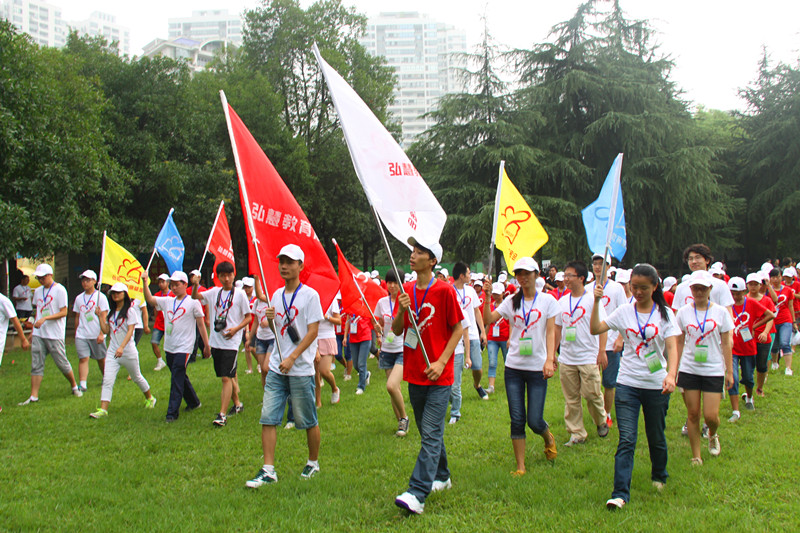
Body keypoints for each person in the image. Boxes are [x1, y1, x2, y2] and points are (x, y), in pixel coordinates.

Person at [590, 263, 680, 510]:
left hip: (656, 384)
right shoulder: (623, 311)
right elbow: (596, 329)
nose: (638, 292)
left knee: (656, 435)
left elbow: (672, 347)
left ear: (655, 286)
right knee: (627, 439)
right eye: (634, 287)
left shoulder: (665, 314)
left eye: (643, 288)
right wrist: (596, 303)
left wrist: (671, 375)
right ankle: (619, 494)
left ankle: (659, 474)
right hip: (628, 383)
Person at [392, 238, 463, 515]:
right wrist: (401, 309)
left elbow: (457, 329)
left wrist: (442, 360)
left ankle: (417, 492)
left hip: (439, 376)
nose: (413, 256)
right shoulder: (407, 290)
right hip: (414, 373)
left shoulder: (445, 291)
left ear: (432, 260)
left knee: (431, 432)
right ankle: (442, 476)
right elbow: (398, 331)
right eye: (412, 251)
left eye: (419, 252)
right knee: (428, 432)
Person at [246, 244, 324, 488]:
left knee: (307, 419)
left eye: (290, 262)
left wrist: (294, 357)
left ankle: (313, 463)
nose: (284, 266)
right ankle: (268, 469)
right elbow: (277, 329)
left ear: (300, 265)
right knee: (268, 416)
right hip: (279, 368)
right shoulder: (276, 295)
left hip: (300, 368)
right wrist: (269, 321)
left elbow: (312, 332)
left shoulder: (310, 296)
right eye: (282, 261)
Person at [482, 257, 559, 476]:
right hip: (514, 367)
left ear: (536, 275)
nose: (523, 278)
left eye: (527, 273)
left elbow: (550, 332)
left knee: (534, 420)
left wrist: (549, 359)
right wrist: (488, 297)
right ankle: (520, 466)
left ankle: (547, 437)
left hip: (537, 367)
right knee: (517, 418)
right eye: (519, 274)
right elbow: (488, 318)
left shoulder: (548, 302)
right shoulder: (510, 301)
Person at [674, 271, 734, 464]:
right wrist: (674, 369)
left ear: (710, 289)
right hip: (689, 367)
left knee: (711, 416)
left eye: (703, 288)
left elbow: (726, 343)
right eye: (695, 288)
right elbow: (679, 341)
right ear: (690, 290)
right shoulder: (683, 312)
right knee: (692, 414)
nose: (699, 292)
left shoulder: (721, 312)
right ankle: (696, 455)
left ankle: (713, 434)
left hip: (713, 368)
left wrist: (730, 371)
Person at [143, 271, 210, 422]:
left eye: (177, 284)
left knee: (176, 378)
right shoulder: (168, 301)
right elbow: (150, 299)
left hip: (184, 347)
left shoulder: (193, 303)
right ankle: (194, 402)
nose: (173, 288)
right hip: (170, 346)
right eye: (171, 284)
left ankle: (171, 413)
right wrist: (145, 282)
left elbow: (201, 324)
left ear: (185, 285)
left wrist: (206, 345)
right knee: (179, 375)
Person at [192, 260, 252, 427]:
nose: (226, 278)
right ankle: (238, 404)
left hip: (231, 342)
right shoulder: (214, 292)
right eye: (223, 276)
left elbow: (248, 317)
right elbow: (195, 296)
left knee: (226, 377)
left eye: (229, 275)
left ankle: (222, 414)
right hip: (216, 341)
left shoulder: (239, 294)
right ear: (218, 277)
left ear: (234, 275)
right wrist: (196, 284)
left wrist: (236, 329)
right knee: (227, 376)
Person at [555, 261, 609, 446]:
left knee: (591, 393)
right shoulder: (562, 301)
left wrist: (602, 351)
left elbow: (602, 327)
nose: (566, 279)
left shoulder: (593, 300)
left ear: (581, 278)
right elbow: (557, 329)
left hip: (588, 355)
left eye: (569, 276)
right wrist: (552, 354)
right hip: (568, 357)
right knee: (571, 398)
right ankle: (577, 433)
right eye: (565, 276)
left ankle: (601, 420)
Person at [89, 283, 157, 418]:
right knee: (108, 380)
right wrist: (99, 317)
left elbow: (130, 331)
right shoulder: (111, 313)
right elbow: (106, 330)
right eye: (113, 293)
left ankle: (150, 397)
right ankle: (103, 410)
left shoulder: (130, 311)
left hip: (128, 351)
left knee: (137, 377)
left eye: (118, 293)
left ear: (125, 295)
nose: (115, 295)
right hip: (112, 351)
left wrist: (122, 347)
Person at [19, 264, 82, 405]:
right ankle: (33, 396)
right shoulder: (38, 291)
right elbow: (39, 311)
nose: (40, 280)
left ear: (50, 275)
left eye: (42, 277)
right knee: (36, 363)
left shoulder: (60, 290)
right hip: (39, 333)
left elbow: (64, 312)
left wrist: (45, 318)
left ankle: (74, 386)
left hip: (54, 334)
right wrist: (34, 329)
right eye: (38, 277)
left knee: (61, 363)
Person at [588, 253, 627, 428]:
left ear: (609, 267)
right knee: (592, 382)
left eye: (601, 264)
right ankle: (598, 411)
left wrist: (621, 338)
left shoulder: (617, 288)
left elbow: (624, 313)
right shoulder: (588, 288)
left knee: (609, 382)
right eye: (595, 263)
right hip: (592, 344)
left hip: (611, 343)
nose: (598, 267)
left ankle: (607, 413)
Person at [727, 276, 773, 421]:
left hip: (748, 347)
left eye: (738, 293)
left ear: (743, 291)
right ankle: (735, 411)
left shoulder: (752, 303)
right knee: (732, 377)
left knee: (748, 376)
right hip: (732, 347)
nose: (735, 296)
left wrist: (754, 327)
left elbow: (770, 315)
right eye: (732, 293)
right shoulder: (726, 306)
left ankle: (749, 398)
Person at [373, 268, 409, 436]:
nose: (392, 286)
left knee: (391, 386)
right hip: (387, 349)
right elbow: (381, 323)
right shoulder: (382, 302)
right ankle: (400, 423)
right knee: (394, 390)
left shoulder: (405, 301)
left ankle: (404, 418)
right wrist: (378, 331)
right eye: (389, 282)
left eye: (395, 282)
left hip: (402, 349)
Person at [453, 261, 488, 406]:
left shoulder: (471, 291)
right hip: (455, 334)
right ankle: (454, 395)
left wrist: (483, 332)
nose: (470, 276)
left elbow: (477, 311)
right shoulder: (449, 291)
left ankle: (477, 384)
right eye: (468, 273)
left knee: (477, 367)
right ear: (461, 276)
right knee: (455, 369)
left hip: (472, 333)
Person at [72, 269, 109, 392]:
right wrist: (76, 331)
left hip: (96, 333)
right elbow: (78, 316)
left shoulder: (101, 297)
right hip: (82, 334)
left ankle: (106, 378)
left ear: (94, 281)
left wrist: (101, 333)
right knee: (83, 358)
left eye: (88, 280)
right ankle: (83, 384)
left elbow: (104, 316)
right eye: (83, 280)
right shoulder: (79, 298)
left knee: (101, 358)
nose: (85, 283)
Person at [746, 272, 776, 396]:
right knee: (748, 364)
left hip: (763, 337)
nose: (753, 287)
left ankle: (760, 387)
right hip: (748, 337)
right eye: (751, 284)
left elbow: (771, 317)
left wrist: (765, 332)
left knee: (762, 365)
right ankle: (749, 389)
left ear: (760, 285)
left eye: (756, 284)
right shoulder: (744, 299)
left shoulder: (767, 300)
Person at [766, 268, 795, 375]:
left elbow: (790, 306)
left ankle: (788, 368)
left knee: (784, 343)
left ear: (781, 277)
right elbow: (774, 301)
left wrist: (793, 321)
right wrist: (769, 286)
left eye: (777, 277)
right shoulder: (767, 291)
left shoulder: (787, 290)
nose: (775, 279)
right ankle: (774, 362)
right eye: (773, 277)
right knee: (774, 344)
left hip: (785, 319)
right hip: (772, 320)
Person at [315, 298, 341, 407]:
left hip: (327, 337)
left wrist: (327, 317)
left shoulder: (331, 299)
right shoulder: (311, 298)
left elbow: (338, 320)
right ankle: (318, 402)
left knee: (324, 370)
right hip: (313, 337)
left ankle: (334, 388)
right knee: (315, 373)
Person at [485, 282, 509, 394]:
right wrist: (485, 335)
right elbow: (488, 322)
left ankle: (510, 383)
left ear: (503, 293)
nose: (495, 296)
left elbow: (512, 323)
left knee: (508, 362)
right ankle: (491, 386)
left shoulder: (507, 306)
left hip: (505, 337)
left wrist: (510, 338)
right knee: (492, 362)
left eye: (498, 294)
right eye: (494, 294)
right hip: (492, 338)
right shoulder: (490, 305)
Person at [343, 308, 372, 395]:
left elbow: (373, 320)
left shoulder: (366, 305)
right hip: (353, 338)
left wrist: (378, 335)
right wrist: (345, 337)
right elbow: (348, 321)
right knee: (356, 364)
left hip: (365, 337)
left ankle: (361, 386)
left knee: (362, 363)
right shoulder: (351, 306)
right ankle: (366, 374)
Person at [149, 273, 171, 371]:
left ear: (168, 283)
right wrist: (155, 318)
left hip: (170, 324)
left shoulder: (172, 294)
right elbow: (155, 309)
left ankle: (171, 360)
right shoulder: (157, 295)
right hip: (159, 323)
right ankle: (160, 360)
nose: (161, 284)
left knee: (169, 344)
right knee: (154, 342)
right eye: (159, 282)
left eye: (163, 282)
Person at [242, 277, 257, 374]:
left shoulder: (256, 299)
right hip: (246, 327)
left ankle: (260, 362)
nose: (247, 289)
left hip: (254, 327)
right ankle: (250, 368)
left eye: (249, 287)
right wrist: (246, 330)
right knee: (247, 348)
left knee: (253, 348)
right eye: (245, 287)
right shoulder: (243, 299)